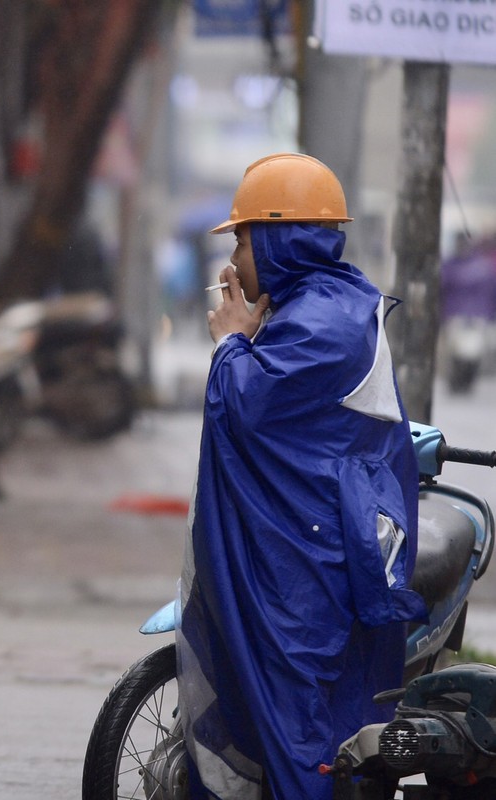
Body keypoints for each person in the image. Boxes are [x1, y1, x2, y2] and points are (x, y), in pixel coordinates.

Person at [176, 153, 425, 799]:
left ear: (281, 238)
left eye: (242, 236)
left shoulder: (320, 322)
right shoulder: (320, 305)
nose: (234, 254)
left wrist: (232, 342)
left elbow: (251, 406)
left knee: (300, 724)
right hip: (316, 543)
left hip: (305, 564)